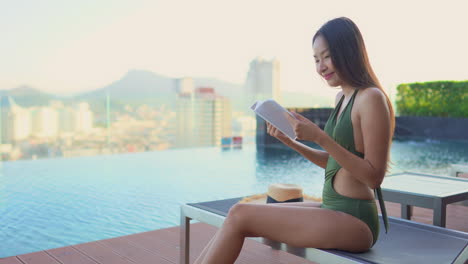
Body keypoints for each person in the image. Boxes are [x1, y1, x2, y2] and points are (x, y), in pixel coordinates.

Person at [194, 16, 395, 264]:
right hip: (332, 208)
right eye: (316, 59)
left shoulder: (371, 98)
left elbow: (374, 176)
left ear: (348, 51)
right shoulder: (342, 99)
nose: (321, 67)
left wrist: (320, 137)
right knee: (236, 214)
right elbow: (335, 163)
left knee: (240, 215)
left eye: (327, 56)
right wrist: (291, 142)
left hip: (355, 220)